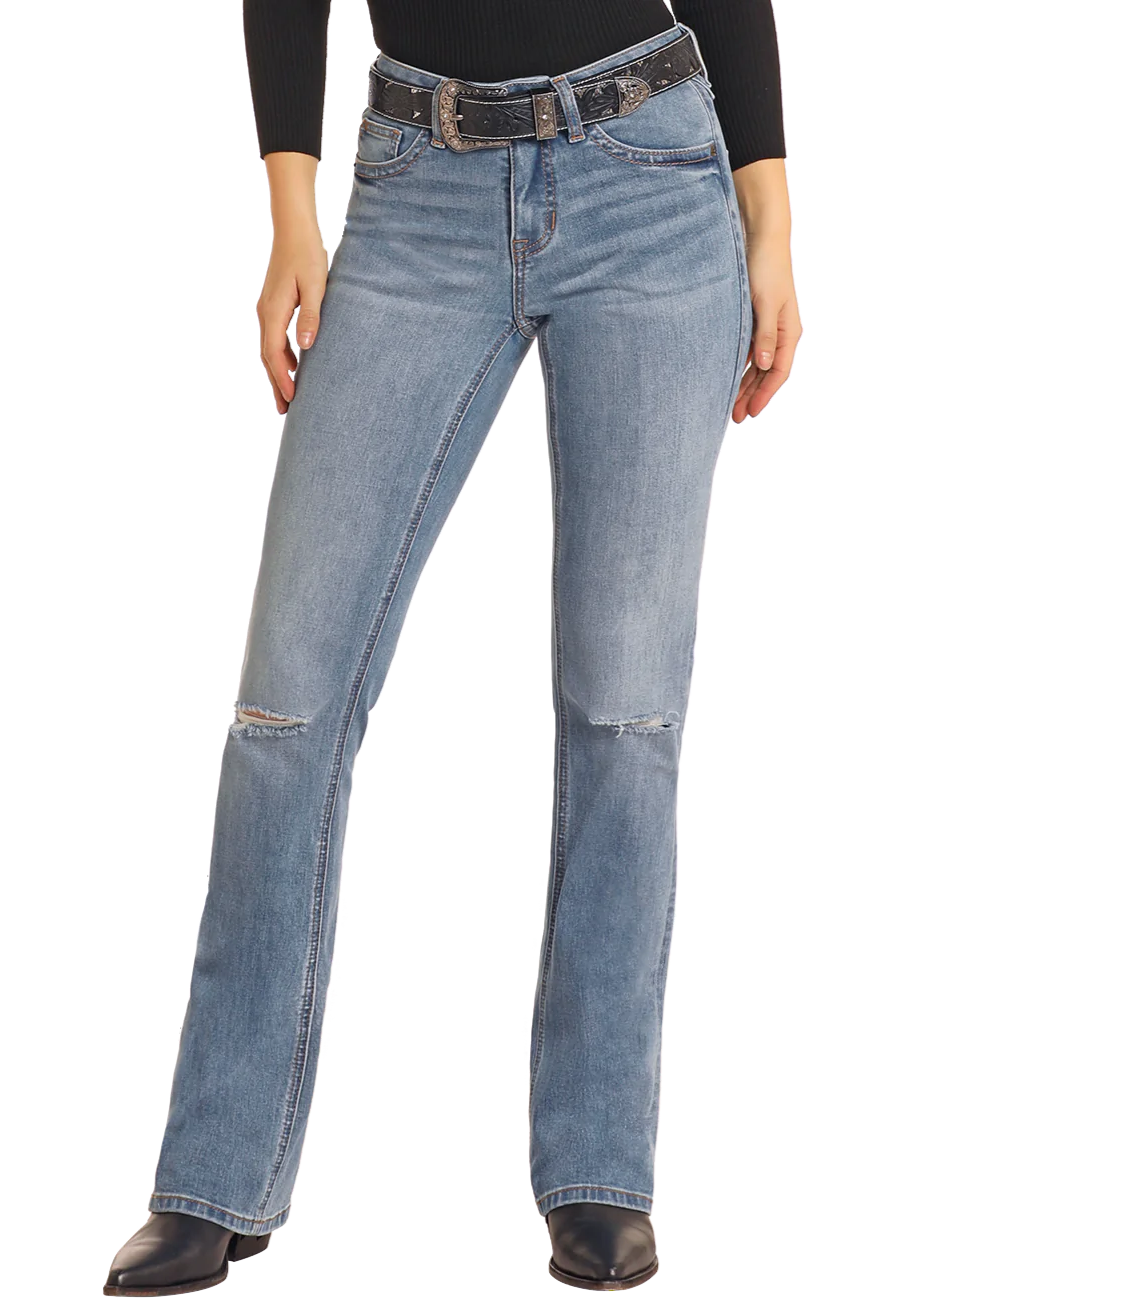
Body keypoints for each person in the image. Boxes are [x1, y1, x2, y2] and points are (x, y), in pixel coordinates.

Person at [104, 1, 799, 1295]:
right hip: (415, 184)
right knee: (286, 708)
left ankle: (600, 1170)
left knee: (625, 709)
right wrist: (292, 211)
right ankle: (212, 1179)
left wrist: (771, 223)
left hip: (650, 175)